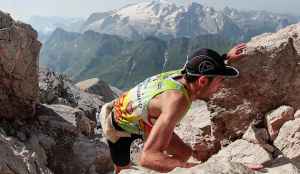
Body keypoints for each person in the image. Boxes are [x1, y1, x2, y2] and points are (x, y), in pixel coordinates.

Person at [99, 44, 263, 174]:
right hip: (120, 124)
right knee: (122, 170)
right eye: (220, 80)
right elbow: (147, 158)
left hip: (146, 119)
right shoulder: (177, 101)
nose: (221, 87)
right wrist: (204, 170)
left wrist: (224, 57)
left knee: (184, 153)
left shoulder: (184, 74)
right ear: (203, 81)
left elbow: (198, 65)